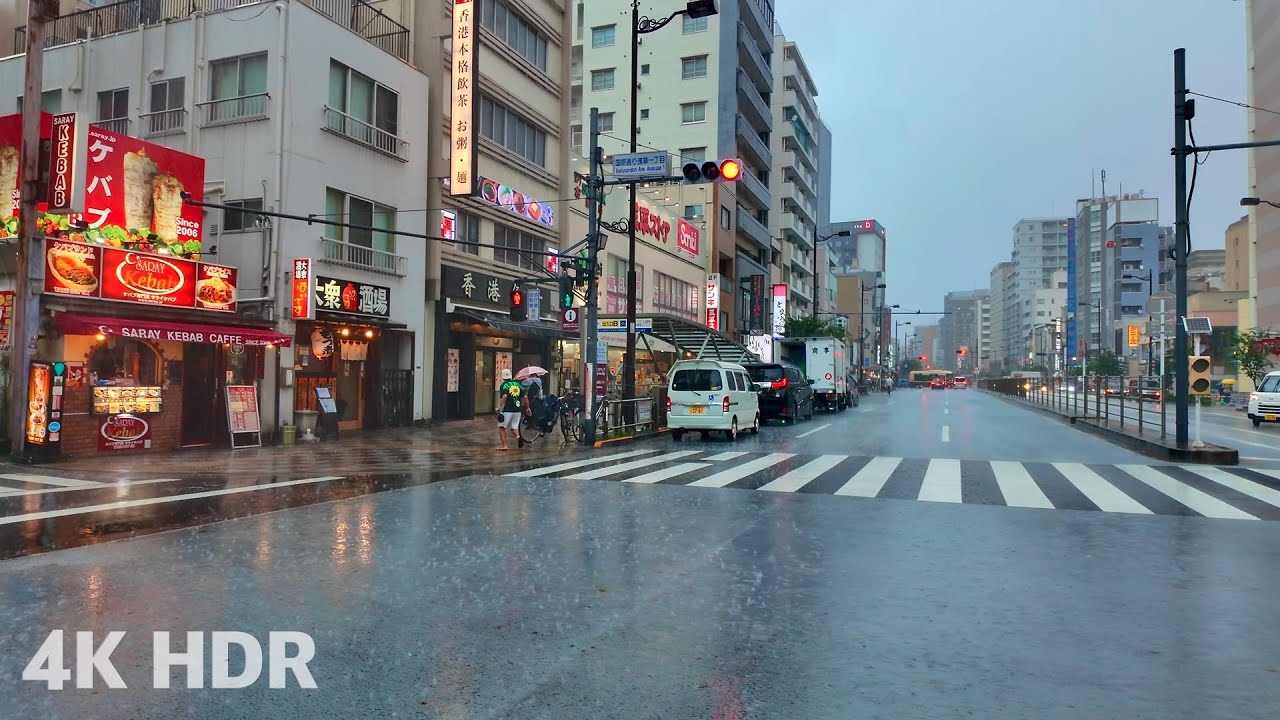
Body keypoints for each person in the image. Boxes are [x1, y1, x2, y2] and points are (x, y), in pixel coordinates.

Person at [497, 368, 523, 451]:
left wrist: (499, 406)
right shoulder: (518, 384)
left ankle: (504, 446)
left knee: (502, 427)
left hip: (508, 410)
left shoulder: (504, 385)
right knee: (514, 427)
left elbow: (504, 396)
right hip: (518, 410)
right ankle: (518, 437)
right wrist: (527, 407)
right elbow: (525, 396)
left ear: (503, 376)